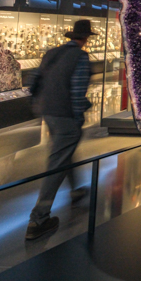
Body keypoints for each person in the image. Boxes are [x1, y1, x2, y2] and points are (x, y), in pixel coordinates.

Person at [26, 19, 96, 240]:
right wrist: (77, 117)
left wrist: (41, 106)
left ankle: (76, 191)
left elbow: (33, 81)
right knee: (57, 162)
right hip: (65, 115)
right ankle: (38, 219)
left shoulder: (51, 53)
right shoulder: (81, 57)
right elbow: (77, 91)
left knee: (65, 151)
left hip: (48, 112)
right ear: (86, 39)